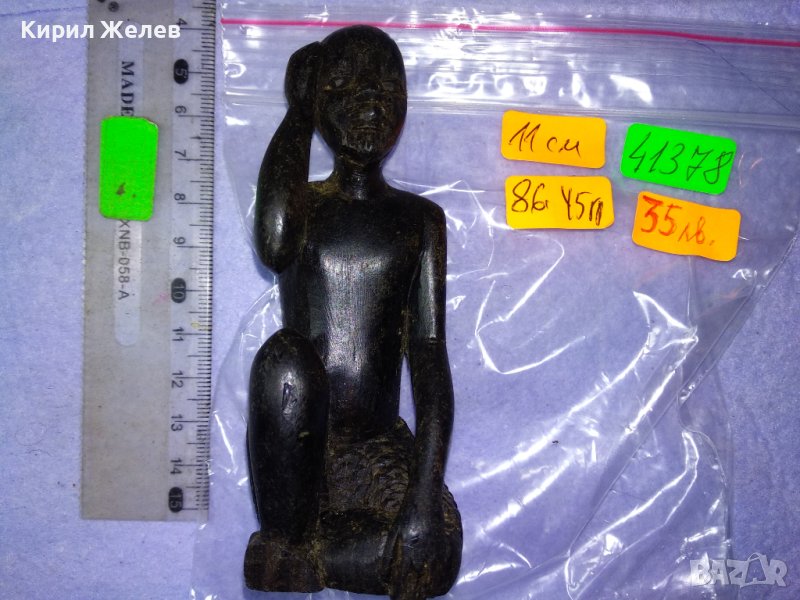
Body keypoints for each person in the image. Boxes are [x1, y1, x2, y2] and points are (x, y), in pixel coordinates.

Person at [244, 25, 462, 600]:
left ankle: (300, 555)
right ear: (318, 100)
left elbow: (429, 359)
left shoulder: (420, 221)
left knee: (436, 551)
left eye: (388, 90)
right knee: (284, 360)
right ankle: (296, 538)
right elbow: (274, 243)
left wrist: (422, 495)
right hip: (301, 445)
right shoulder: (305, 208)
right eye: (344, 87)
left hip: (376, 446)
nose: (370, 104)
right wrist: (296, 114)